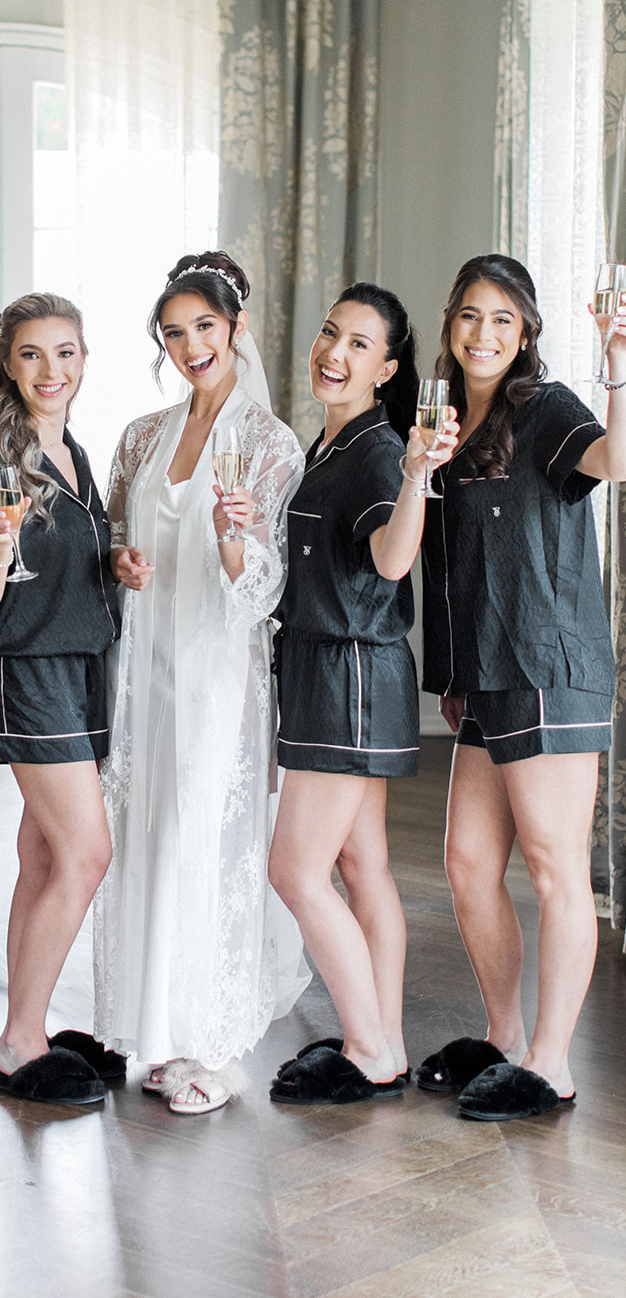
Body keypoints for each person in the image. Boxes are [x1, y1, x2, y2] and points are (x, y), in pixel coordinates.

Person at [412, 254, 626, 1123]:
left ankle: (551, 1062)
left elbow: (617, 459)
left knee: (553, 868)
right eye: (470, 315)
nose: (483, 333)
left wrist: (617, 360)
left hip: (550, 669)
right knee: (468, 866)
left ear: (526, 332)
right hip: (487, 679)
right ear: (450, 323)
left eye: (503, 319)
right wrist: (454, 675)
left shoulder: (547, 408)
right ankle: (504, 1039)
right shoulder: (447, 423)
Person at [94, 251, 308, 1116]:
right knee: (144, 830)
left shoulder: (269, 443)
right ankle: (159, 1028)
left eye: (205, 329)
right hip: (146, 666)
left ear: (236, 329)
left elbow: (264, 589)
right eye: (174, 333)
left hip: (220, 669)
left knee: (199, 832)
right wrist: (121, 558)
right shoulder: (142, 435)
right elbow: (109, 533)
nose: (190, 346)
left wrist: (231, 542)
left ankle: (213, 1043)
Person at [266, 285, 457, 1107]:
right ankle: (383, 1037)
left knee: (295, 871)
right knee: (362, 864)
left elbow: (389, 559)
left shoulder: (382, 452)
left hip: (344, 677)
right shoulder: (332, 442)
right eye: (328, 334)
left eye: (358, 345)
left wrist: (416, 476)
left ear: (386, 368)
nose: (333, 354)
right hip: (340, 672)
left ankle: (369, 1046)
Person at [0, 293, 124, 1108]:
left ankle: (29, 1022)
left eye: (65, 352)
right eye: (31, 354)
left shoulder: (76, 455)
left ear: (85, 359)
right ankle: (22, 1041)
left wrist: (117, 566)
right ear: (7, 364)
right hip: (26, 669)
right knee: (87, 854)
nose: (50, 371)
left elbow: (77, 560)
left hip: (82, 667)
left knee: (44, 857)